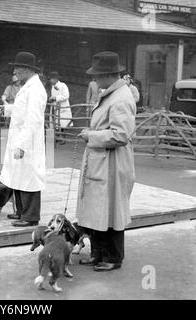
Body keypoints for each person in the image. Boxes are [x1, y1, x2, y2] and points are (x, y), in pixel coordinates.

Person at [77, 51, 136, 271]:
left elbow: (121, 135)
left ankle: (113, 257)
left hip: (113, 162)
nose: (94, 80)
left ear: (108, 75)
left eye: (97, 75)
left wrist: (91, 136)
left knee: (111, 211)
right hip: (102, 160)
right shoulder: (111, 93)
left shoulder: (121, 98)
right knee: (97, 209)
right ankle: (98, 253)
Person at [0, 52, 47, 227]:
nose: (15, 71)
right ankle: (21, 211)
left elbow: (33, 119)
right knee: (18, 175)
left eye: (17, 67)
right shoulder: (27, 86)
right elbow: (21, 109)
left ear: (27, 69)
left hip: (28, 140)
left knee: (29, 178)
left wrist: (23, 145)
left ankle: (31, 216)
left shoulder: (36, 89)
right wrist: (7, 110)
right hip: (19, 137)